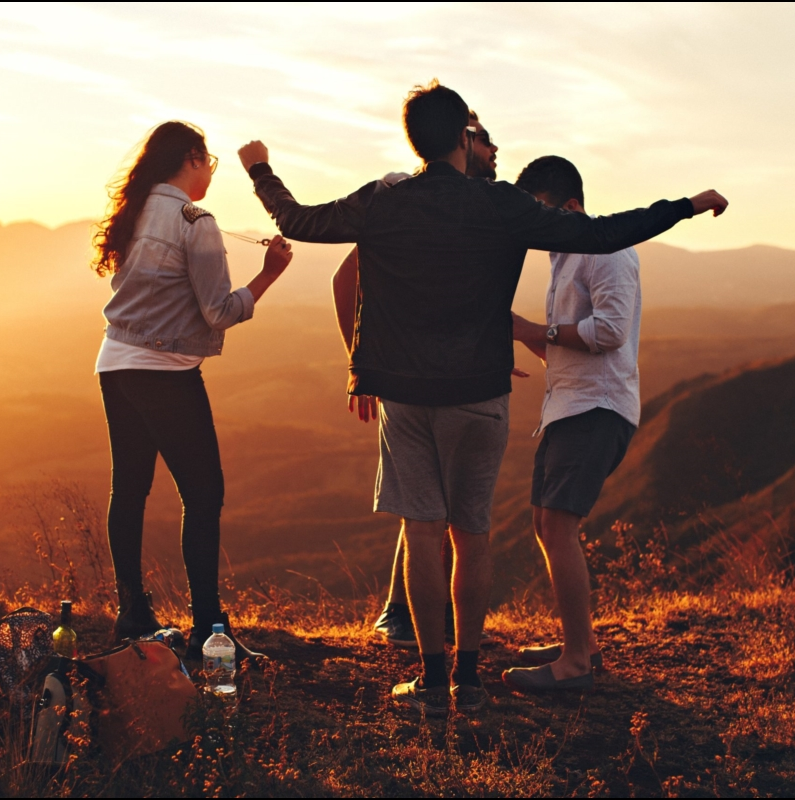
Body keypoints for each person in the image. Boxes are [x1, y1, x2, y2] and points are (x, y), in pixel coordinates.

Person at [238, 80, 727, 716]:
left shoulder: (384, 201)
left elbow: (300, 220)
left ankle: (433, 682)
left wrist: (260, 171)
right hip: (480, 392)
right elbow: (604, 233)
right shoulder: (498, 205)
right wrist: (685, 205)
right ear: (464, 140)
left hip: (407, 394)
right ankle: (469, 681)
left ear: (416, 139)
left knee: (423, 535)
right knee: (473, 536)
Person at [92, 121, 293, 663]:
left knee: (130, 488)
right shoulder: (195, 221)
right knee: (204, 495)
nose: (210, 175)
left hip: (115, 362)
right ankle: (210, 631)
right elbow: (219, 311)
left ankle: (132, 613)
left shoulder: (135, 211)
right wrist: (270, 273)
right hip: (166, 371)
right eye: (209, 164)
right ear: (191, 159)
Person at [333, 111, 501, 650]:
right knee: (429, 513)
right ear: (460, 141)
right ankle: (405, 618)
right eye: (484, 138)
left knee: (433, 511)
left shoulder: (472, 208)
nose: (496, 149)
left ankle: (421, 628)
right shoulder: (405, 198)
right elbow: (345, 278)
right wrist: (362, 365)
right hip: (414, 380)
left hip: (451, 376)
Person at [502, 155, 648, 691]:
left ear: (568, 206)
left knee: (559, 525)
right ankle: (578, 643)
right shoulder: (564, 256)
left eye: (538, 212)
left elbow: (609, 331)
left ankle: (575, 665)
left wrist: (534, 327)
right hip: (569, 405)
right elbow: (570, 342)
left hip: (598, 408)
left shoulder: (605, 250)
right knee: (546, 524)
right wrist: (523, 336)